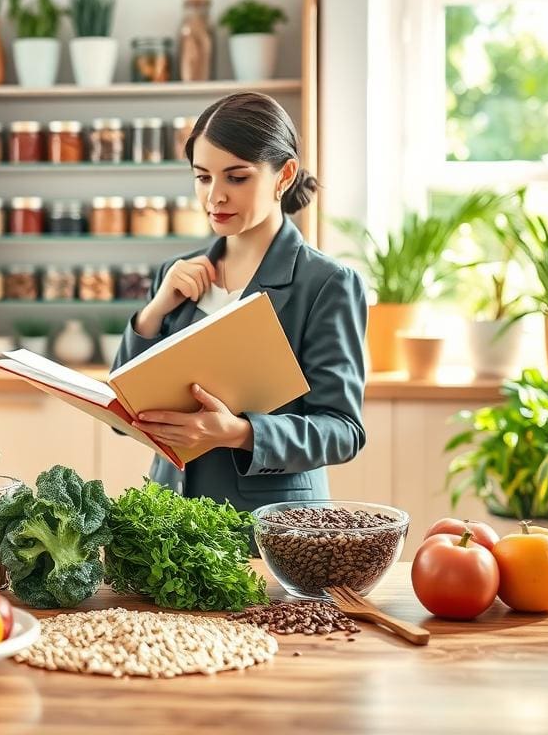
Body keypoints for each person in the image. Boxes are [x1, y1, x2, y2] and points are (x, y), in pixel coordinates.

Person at [112, 91, 367, 510]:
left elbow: (342, 431)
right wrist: (155, 309)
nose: (215, 196)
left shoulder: (327, 284)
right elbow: (125, 415)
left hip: (270, 527)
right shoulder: (175, 275)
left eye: (237, 177)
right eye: (202, 177)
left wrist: (237, 432)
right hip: (168, 523)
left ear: (284, 175)